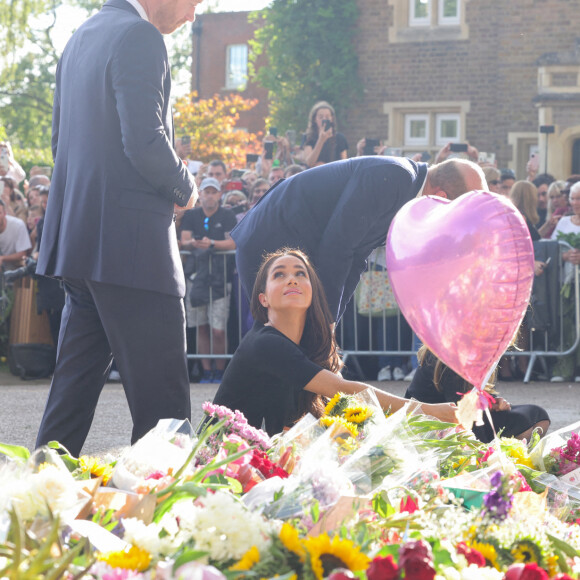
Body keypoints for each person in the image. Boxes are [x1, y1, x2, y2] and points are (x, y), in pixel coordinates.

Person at [35, 0, 200, 457]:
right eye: (194, 3)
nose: (191, 17)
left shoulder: (79, 38)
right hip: (132, 252)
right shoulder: (140, 36)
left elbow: (59, 142)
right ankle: (171, 521)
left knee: (69, 399)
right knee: (164, 410)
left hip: (80, 245)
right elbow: (145, 140)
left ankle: (36, 505)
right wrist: (186, 187)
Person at [213, 248, 458, 435]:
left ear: (312, 291)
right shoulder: (265, 344)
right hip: (222, 467)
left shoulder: (308, 345)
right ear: (263, 299)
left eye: (300, 273)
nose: (292, 279)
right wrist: (430, 412)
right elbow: (348, 391)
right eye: (279, 275)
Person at [233, 156, 487, 324]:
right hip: (269, 242)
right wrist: (326, 322)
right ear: (441, 196)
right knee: (273, 340)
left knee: (295, 348)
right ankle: (232, 407)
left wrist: (331, 321)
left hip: (291, 246)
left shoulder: (404, 186)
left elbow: (356, 257)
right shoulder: (394, 178)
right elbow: (339, 245)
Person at [406, 347, 550, 443]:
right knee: (522, 422)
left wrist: (492, 401)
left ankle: (513, 459)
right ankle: (505, 464)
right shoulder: (451, 353)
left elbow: (473, 392)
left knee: (538, 416)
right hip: (433, 425)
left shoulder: (472, 347)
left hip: (459, 413)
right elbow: (462, 412)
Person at [180, 177, 237, 383]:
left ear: (220, 195)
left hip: (220, 280)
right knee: (201, 326)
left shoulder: (228, 215)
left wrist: (211, 243)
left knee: (218, 329)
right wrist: (194, 243)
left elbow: (233, 243)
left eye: (214, 192)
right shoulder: (191, 215)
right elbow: (184, 241)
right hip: (196, 279)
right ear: (200, 194)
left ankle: (220, 371)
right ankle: (206, 372)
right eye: (206, 191)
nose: (210, 195)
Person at [550, 181, 580, 383]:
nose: (576, 202)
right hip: (567, 283)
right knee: (566, 325)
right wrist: (563, 256)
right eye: (573, 198)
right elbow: (551, 249)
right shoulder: (563, 222)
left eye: (579, 198)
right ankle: (564, 368)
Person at [301, 101, 349, 167]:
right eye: (321, 117)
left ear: (331, 118)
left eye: (327, 117)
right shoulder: (308, 137)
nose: (324, 119)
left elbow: (344, 164)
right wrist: (321, 140)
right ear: (315, 119)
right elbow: (309, 163)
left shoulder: (340, 138)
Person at [0, 200, 32, 269]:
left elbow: (22, 254)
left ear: (5, 213)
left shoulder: (18, 225)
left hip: (15, 266)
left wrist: (2, 258)